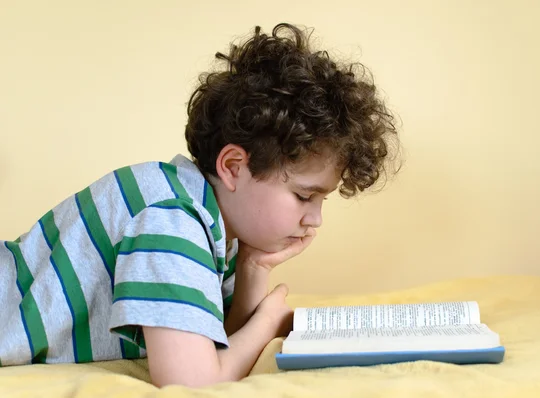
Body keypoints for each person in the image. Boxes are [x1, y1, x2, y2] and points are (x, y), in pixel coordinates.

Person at [0, 23, 400, 388]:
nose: (314, 219)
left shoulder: (210, 221)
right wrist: (265, 324)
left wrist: (253, 268)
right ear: (232, 166)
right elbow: (193, 382)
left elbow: (219, 341)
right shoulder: (171, 220)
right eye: (303, 196)